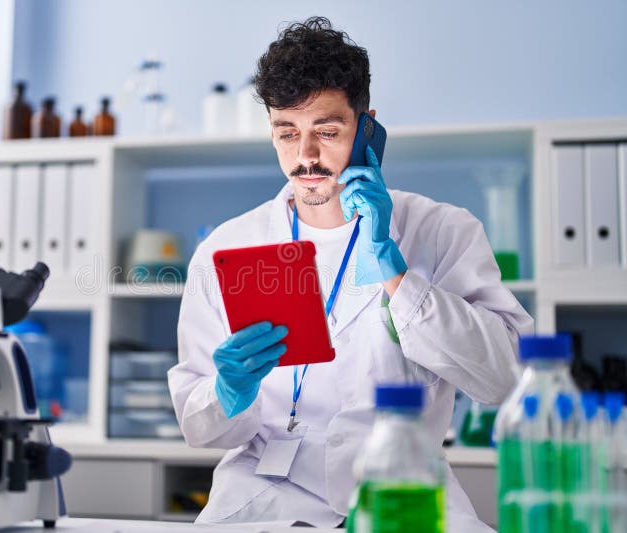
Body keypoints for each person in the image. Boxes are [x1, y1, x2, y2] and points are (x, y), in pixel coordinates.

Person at [168, 16, 533, 531]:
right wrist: (228, 390)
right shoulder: (227, 249)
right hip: (268, 490)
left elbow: (503, 379)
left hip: (405, 486)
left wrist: (392, 268)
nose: (306, 157)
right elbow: (200, 429)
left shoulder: (442, 230)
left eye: (328, 131)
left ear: (367, 128)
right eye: (287, 133)